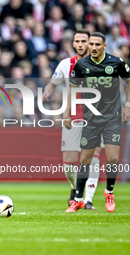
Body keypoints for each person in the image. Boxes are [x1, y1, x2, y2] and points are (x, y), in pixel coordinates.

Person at [64, 32, 130, 213]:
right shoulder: (81, 65)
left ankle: (109, 192)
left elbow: (129, 80)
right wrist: (67, 113)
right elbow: (73, 89)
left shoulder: (116, 63)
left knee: (113, 157)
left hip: (112, 118)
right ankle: (78, 199)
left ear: (104, 46)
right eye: (91, 44)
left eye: (97, 45)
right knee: (85, 158)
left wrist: (128, 106)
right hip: (91, 119)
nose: (93, 47)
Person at [43, 29, 102, 210]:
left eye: (85, 41)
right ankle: (76, 187)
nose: (81, 44)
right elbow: (52, 84)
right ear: (74, 44)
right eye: (78, 41)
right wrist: (46, 93)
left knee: (93, 157)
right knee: (68, 161)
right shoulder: (65, 65)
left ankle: (88, 199)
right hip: (72, 116)